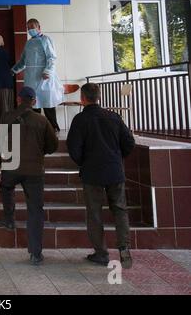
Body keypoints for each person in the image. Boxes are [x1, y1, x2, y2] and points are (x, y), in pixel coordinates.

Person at [67, 83, 135, 269]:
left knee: (95, 213)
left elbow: (73, 148)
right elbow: (129, 142)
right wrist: (117, 158)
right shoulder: (114, 117)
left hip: (92, 173)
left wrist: (84, 162)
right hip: (114, 170)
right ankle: (124, 249)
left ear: (82, 98)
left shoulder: (80, 120)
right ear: (98, 97)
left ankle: (101, 253)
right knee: (120, 210)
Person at [0, 86, 58, 265]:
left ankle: (8, 219)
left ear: (18, 100)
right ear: (34, 101)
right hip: (34, 170)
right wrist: (39, 151)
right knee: (35, 210)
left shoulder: (6, 117)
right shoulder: (42, 120)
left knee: (6, 186)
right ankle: (36, 253)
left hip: (11, 168)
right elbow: (53, 146)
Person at [12, 19, 61, 132]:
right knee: (34, 105)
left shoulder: (45, 40)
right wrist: (14, 70)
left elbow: (51, 57)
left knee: (48, 105)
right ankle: (36, 130)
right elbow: (23, 61)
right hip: (30, 78)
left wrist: (48, 71)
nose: (30, 29)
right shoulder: (28, 43)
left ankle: (54, 128)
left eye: (32, 27)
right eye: (28, 27)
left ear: (39, 26)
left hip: (44, 78)